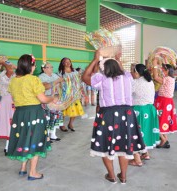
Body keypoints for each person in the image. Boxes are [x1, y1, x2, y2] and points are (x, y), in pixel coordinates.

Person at [82, 50, 145, 184]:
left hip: (108, 115)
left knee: (106, 146)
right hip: (127, 114)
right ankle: (123, 176)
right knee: (124, 146)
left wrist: (95, 59)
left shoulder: (101, 78)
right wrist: (117, 59)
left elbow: (85, 77)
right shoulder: (128, 76)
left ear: (103, 69)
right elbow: (121, 70)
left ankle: (111, 176)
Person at [7, 54, 56, 181]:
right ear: (31, 66)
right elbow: (43, 99)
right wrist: (53, 98)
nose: (34, 68)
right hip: (34, 113)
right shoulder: (33, 79)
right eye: (34, 65)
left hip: (20, 114)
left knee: (24, 138)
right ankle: (33, 172)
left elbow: (14, 98)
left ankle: (23, 168)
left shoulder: (14, 80)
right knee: (35, 140)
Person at [130, 64, 159, 165]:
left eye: (133, 71)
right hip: (150, 110)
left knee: (135, 133)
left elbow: (128, 94)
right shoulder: (150, 81)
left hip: (139, 110)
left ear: (137, 73)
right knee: (144, 132)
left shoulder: (135, 82)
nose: (132, 73)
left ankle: (137, 159)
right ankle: (145, 153)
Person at [153, 59, 177, 148]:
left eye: (163, 70)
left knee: (158, 120)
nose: (162, 71)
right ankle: (165, 140)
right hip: (168, 102)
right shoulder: (172, 78)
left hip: (163, 101)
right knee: (164, 120)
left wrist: (155, 65)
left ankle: (163, 139)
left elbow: (156, 77)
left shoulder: (167, 79)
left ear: (167, 71)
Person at [0, 61, 16, 155]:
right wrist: (5, 64)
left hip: (16, 101)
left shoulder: (15, 74)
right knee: (8, 124)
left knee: (15, 124)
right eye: (10, 66)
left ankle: (13, 145)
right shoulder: (2, 76)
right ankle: (8, 146)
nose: (12, 68)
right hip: (7, 103)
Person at [58, 57, 84, 132]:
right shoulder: (61, 72)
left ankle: (70, 124)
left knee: (75, 110)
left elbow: (79, 81)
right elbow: (59, 83)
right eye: (66, 62)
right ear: (63, 63)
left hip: (75, 94)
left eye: (69, 61)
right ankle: (61, 125)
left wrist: (81, 91)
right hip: (65, 94)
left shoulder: (75, 71)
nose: (68, 63)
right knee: (63, 111)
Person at [39, 62, 63, 142]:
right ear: (44, 69)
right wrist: (56, 81)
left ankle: (53, 134)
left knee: (55, 117)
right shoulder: (41, 77)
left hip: (56, 99)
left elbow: (61, 82)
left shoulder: (54, 75)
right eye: (49, 67)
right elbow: (45, 86)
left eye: (52, 67)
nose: (51, 68)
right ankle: (46, 136)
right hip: (47, 99)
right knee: (47, 118)